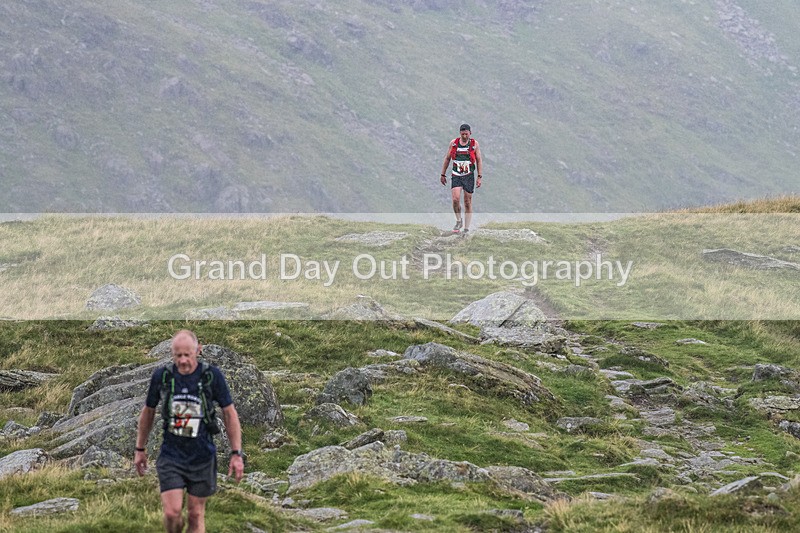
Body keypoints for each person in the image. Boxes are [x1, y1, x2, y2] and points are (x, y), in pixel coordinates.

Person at [134, 330, 244, 533]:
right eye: (178, 356)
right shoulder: (163, 376)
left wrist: (236, 453)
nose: (183, 360)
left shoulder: (212, 376)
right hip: (171, 456)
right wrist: (139, 448)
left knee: (195, 514)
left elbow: (230, 414)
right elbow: (148, 411)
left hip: (202, 457)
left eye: (188, 355)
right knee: (172, 513)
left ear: (198, 350)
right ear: (172, 354)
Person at [440, 123, 483, 234]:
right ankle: (459, 220)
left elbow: (479, 160)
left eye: (466, 134)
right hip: (456, 174)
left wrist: (479, 176)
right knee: (455, 199)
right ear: (460, 133)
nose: (464, 136)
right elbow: (447, 158)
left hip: (468, 175)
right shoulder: (453, 143)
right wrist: (443, 174)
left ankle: (466, 228)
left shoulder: (474, 144)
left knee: (467, 202)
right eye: (462, 134)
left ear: (470, 133)